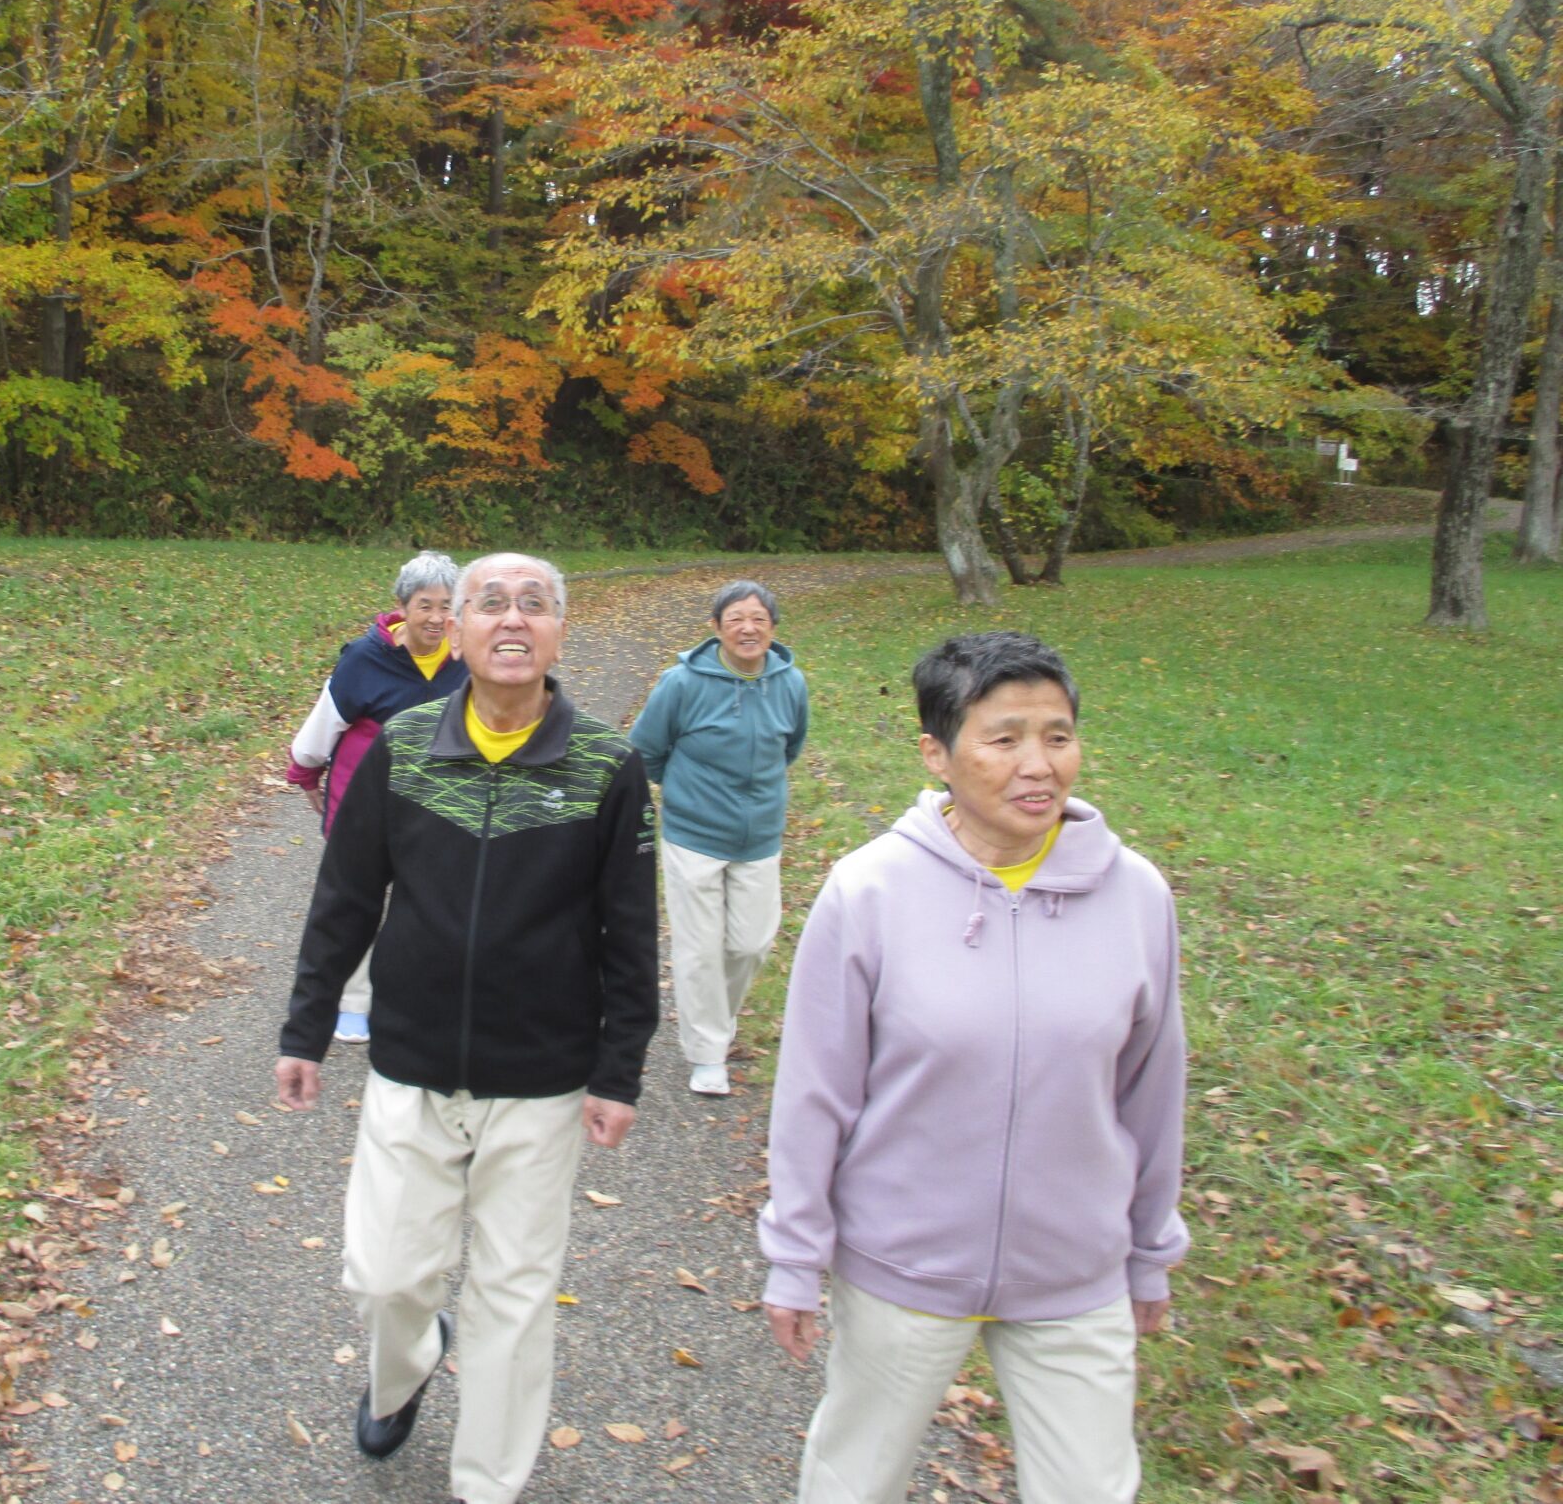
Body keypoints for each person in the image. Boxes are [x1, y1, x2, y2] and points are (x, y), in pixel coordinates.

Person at [758, 630, 1186, 1504]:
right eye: (1004, 738)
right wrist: (796, 1254)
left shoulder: (1137, 895)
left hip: (1075, 1270)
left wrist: (1149, 1250)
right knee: (852, 1481)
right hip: (903, 1263)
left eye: (1058, 736)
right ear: (937, 753)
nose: (1039, 765)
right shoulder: (870, 891)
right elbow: (814, 1094)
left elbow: (1152, 1089)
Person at [276, 552, 659, 1504]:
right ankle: (402, 1367)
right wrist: (306, 1028)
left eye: (537, 604)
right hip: (410, 1064)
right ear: (456, 628)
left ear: (561, 630)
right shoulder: (406, 748)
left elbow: (632, 931)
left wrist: (619, 1070)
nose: (513, 619)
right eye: (492, 603)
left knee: (515, 1296)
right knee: (386, 1274)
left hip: (542, 1081)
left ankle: (488, 1482)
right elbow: (347, 897)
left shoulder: (609, 766)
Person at [629, 580, 808, 1095]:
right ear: (716, 628)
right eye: (735, 619)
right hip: (693, 835)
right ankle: (708, 1053)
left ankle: (714, 1021)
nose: (747, 628)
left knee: (751, 944)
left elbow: (790, 746)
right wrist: (689, 795)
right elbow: (645, 751)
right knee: (700, 950)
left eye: (758, 619)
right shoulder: (682, 683)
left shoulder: (790, 683)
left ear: (773, 629)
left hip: (759, 837)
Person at [286, 550, 466, 1043]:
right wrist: (305, 772)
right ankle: (352, 1002)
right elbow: (326, 721)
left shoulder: (468, 659)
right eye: (424, 604)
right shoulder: (365, 659)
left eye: (447, 606)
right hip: (363, 801)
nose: (435, 617)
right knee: (357, 900)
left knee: (431, 899)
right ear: (402, 605)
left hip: (439, 803)